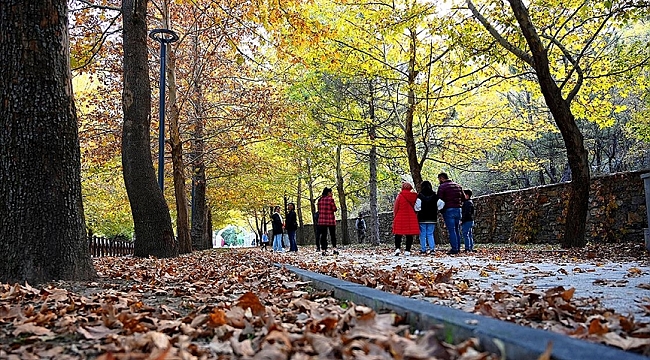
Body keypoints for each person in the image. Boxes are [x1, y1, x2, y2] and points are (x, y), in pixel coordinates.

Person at [437, 172, 464, 255]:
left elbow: (439, 199)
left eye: (439, 179)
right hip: (458, 209)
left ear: (441, 178)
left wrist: (440, 209)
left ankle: (454, 249)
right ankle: (458, 247)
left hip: (448, 209)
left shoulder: (442, 187)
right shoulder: (458, 186)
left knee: (451, 230)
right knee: (457, 229)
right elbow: (463, 197)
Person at [392, 182, 420, 256]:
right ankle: (407, 250)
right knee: (409, 234)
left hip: (400, 216)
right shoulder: (414, 196)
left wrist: (395, 216)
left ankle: (397, 248)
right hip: (411, 217)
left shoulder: (400, 196)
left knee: (398, 234)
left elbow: (396, 207)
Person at [414, 180, 439, 255]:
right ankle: (432, 249)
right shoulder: (435, 195)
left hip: (422, 217)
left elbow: (417, 207)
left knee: (422, 233)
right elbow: (440, 204)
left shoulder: (420, 195)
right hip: (432, 217)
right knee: (430, 233)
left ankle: (423, 249)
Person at [317, 187, 339, 256]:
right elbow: (334, 209)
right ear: (328, 193)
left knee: (323, 236)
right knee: (333, 235)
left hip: (322, 220)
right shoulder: (330, 200)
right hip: (330, 220)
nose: (332, 194)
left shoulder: (320, 200)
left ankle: (323, 250)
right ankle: (334, 249)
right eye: (331, 192)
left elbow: (319, 210)